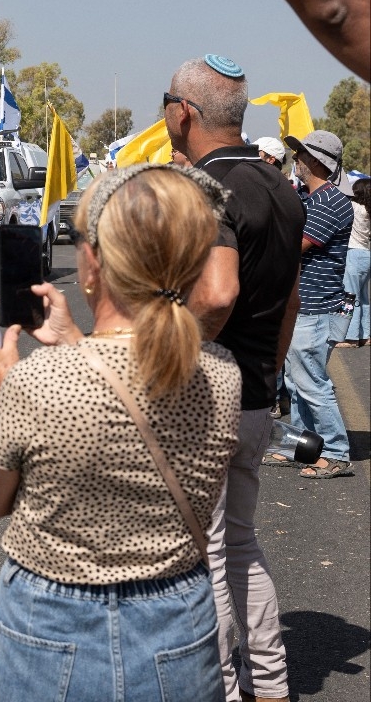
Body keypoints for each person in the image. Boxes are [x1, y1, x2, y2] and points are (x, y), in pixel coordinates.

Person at [0, 164, 239, 702]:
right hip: (178, 626)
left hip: (47, 628)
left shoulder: (37, 381)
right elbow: (130, 392)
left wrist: (7, 384)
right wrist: (75, 346)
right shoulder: (222, 375)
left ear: (92, 263)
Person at [165, 54, 304, 702]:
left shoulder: (203, 187)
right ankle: (271, 683)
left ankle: (219, 688)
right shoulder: (279, 185)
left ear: (182, 112)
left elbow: (217, 296)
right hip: (254, 399)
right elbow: (293, 300)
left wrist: (168, 359)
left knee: (209, 557)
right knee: (240, 545)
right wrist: (270, 380)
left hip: (207, 401)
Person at [282, 130, 355, 478]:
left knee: (311, 382)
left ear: (315, 161)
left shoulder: (328, 202)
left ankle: (337, 453)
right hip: (305, 304)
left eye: (300, 155)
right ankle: (301, 447)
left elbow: (293, 246)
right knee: (298, 381)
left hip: (313, 306)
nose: (295, 160)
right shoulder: (313, 199)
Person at [337, 177, 370, 347]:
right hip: (366, 254)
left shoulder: (354, 207)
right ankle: (365, 334)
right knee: (364, 297)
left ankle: (349, 336)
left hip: (353, 254)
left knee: (350, 297)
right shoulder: (367, 210)